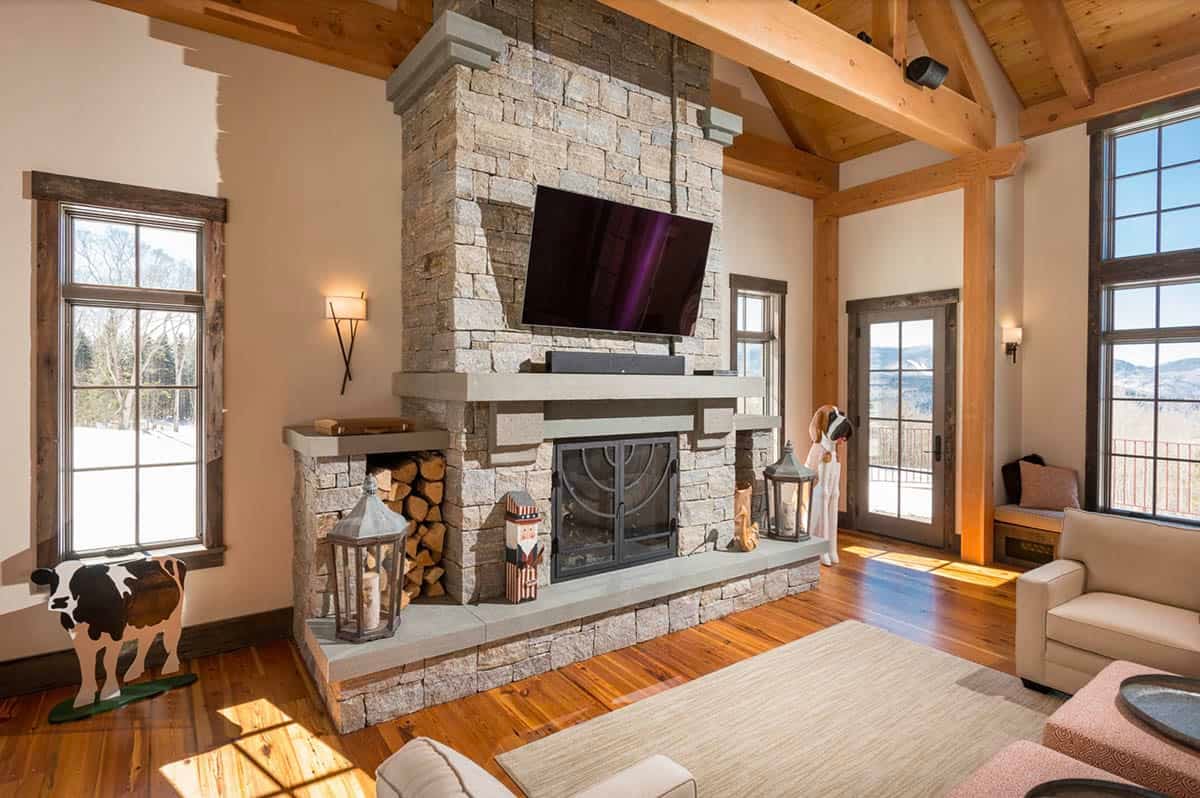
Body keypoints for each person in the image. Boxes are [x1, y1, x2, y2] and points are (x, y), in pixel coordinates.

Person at [804, 405, 853, 566]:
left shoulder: (832, 452)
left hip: (829, 493)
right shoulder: (818, 451)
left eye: (840, 415)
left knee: (833, 496)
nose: (840, 418)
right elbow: (816, 491)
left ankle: (831, 548)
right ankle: (820, 548)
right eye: (833, 417)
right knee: (822, 497)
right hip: (811, 506)